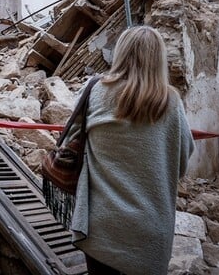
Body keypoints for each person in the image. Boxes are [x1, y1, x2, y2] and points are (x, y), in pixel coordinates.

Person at [70, 25, 195, 275]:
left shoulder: (94, 91)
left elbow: (71, 142)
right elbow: (181, 162)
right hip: (151, 229)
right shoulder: (170, 102)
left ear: (120, 53)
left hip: (100, 225)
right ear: (158, 59)